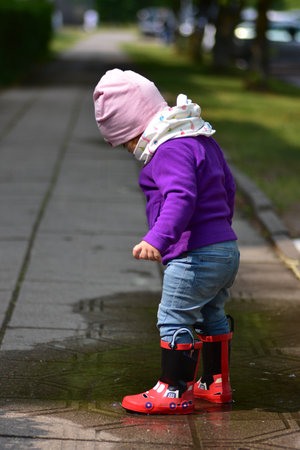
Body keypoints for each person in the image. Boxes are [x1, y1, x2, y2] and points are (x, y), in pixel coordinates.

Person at [93, 69, 240, 415]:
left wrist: (157, 238)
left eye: (127, 141)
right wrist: (221, 232)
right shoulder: (201, 139)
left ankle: (173, 391)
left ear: (138, 127)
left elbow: (181, 197)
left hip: (193, 255)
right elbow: (228, 188)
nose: (131, 150)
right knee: (211, 313)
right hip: (225, 250)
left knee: (174, 316)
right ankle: (215, 384)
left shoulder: (170, 150)